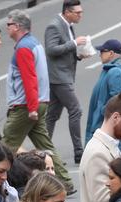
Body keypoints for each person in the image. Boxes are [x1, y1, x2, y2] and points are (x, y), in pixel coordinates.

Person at [1, 9, 74, 194]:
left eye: (9, 24)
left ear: (17, 26)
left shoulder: (23, 47)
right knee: (45, 145)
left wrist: (31, 108)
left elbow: (29, 79)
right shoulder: (33, 43)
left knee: (6, 146)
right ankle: (65, 181)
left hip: (26, 106)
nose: (7, 28)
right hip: (38, 102)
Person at [45, 0, 87, 165]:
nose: (80, 15)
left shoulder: (68, 25)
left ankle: (44, 151)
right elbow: (51, 50)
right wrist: (75, 44)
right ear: (67, 12)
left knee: (52, 115)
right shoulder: (54, 26)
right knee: (75, 110)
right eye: (78, 13)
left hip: (63, 76)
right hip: (59, 78)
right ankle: (78, 151)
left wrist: (78, 54)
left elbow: (65, 49)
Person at [85, 39, 121, 153]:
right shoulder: (110, 70)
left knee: (113, 158)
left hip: (107, 129)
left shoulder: (115, 73)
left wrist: (101, 112)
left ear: (111, 53)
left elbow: (118, 104)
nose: (100, 54)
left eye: (103, 51)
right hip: (109, 129)